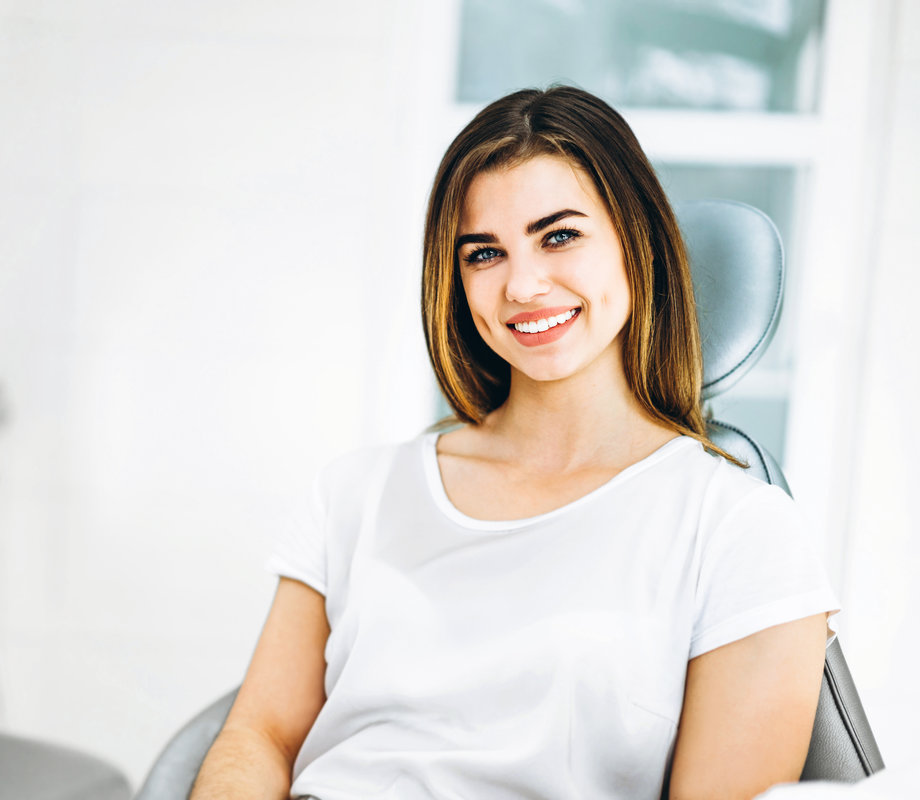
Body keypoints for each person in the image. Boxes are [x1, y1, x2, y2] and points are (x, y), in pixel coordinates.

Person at [190, 86, 838, 800]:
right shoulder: (355, 493)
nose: (523, 284)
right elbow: (259, 736)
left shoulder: (739, 530)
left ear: (637, 241)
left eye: (558, 236)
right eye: (484, 253)